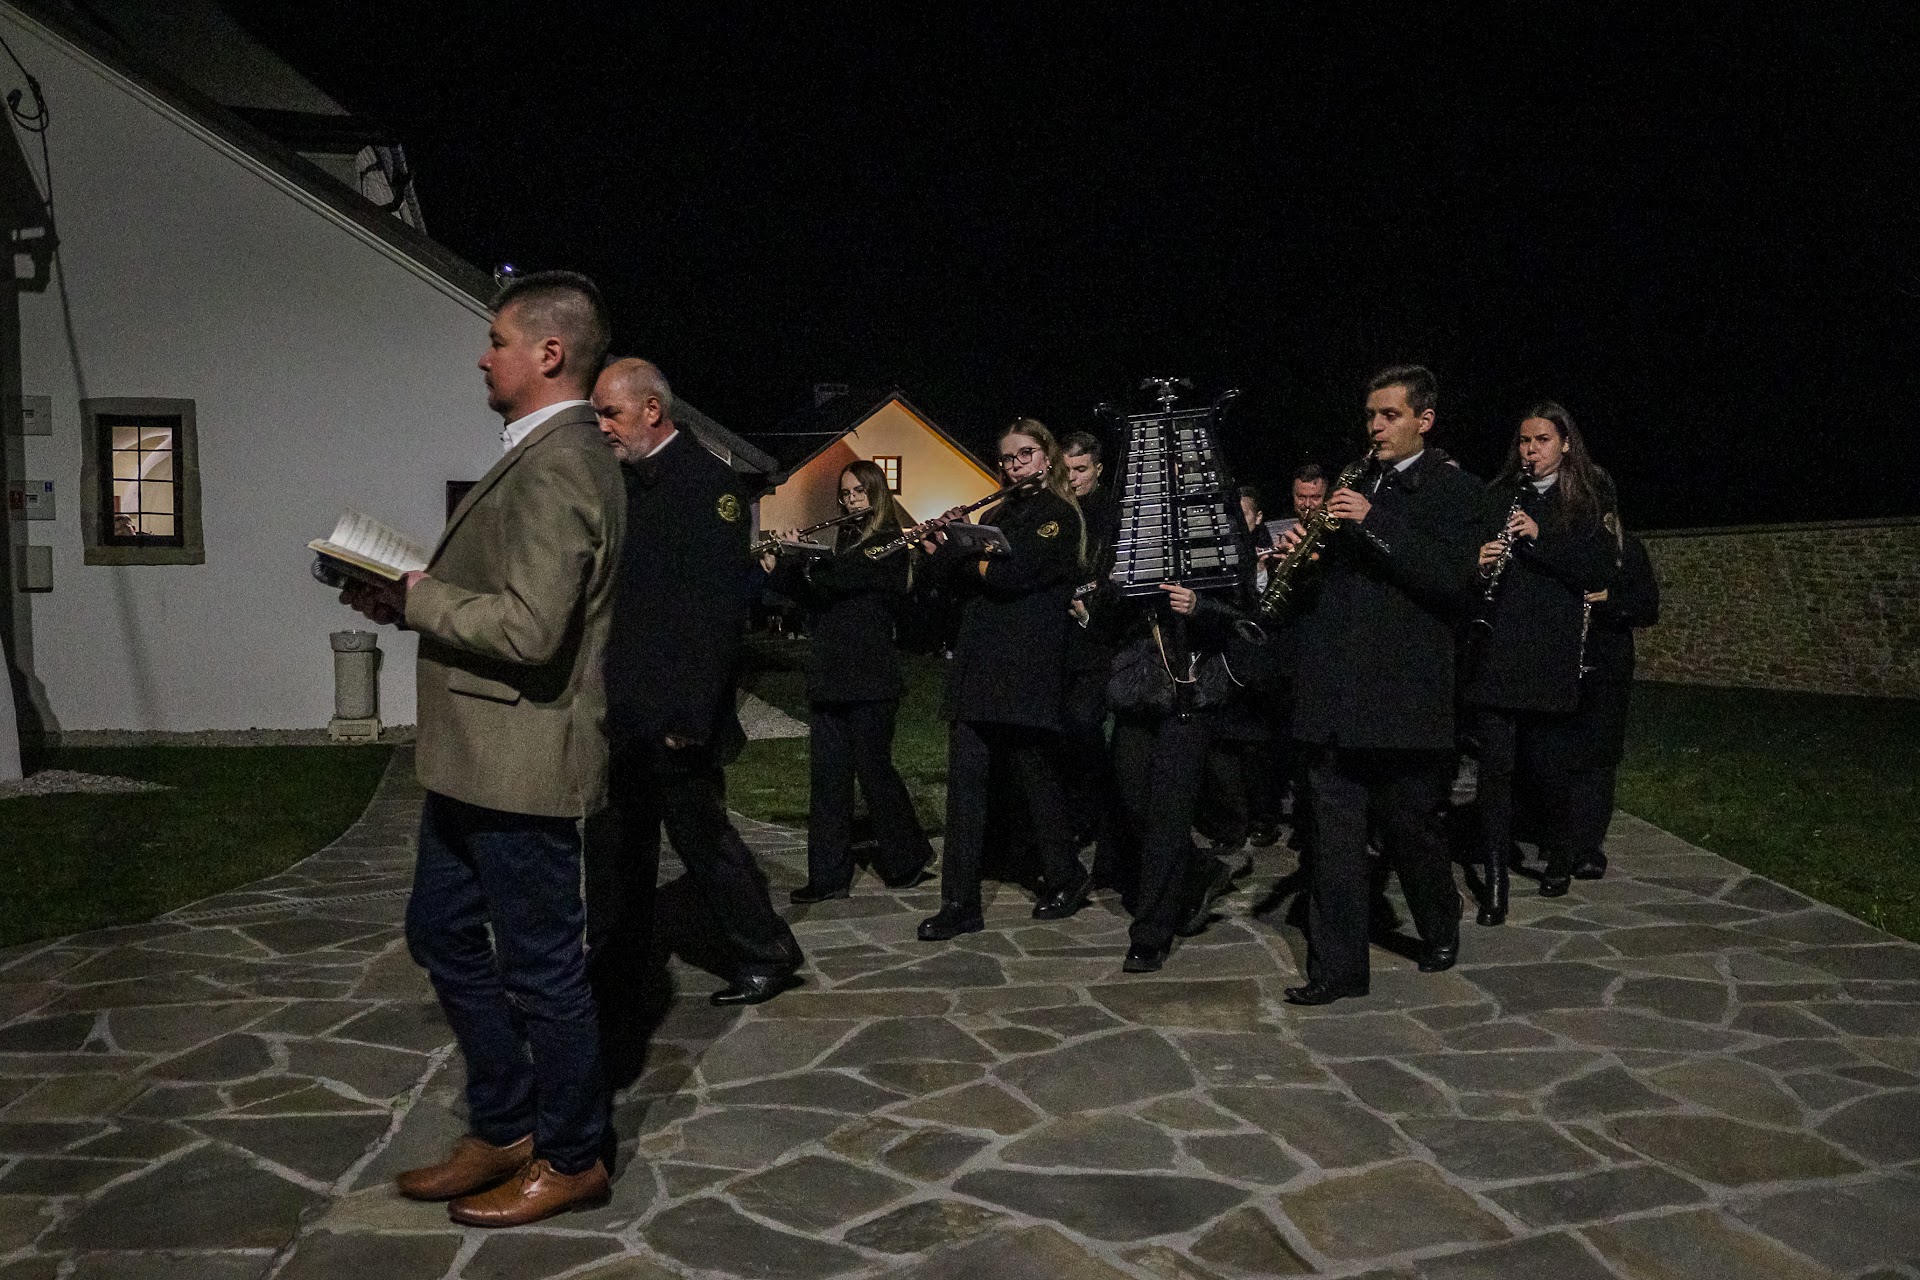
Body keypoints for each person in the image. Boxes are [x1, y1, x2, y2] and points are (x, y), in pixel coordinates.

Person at [341, 270, 622, 1225]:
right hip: (477, 756)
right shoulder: (541, 454)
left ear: (549, 352)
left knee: (543, 970)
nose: (482, 355)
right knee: (441, 933)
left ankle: (573, 1156)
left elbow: (533, 631)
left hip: (522, 761)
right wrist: (404, 599)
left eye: (497, 339)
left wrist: (420, 597)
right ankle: (505, 1125)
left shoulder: (562, 462)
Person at [593, 357, 804, 1006]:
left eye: (611, 413)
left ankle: (767, 952)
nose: (601, 426)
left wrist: (691, 717)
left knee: (703, 840)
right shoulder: (629, 482)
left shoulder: (706, 485)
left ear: (652, 410)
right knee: (619, 846)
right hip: (627, 706)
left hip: (674, 715)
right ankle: (620, 960)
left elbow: (714, 616)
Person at [1277, 365, 1482, 1006]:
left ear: (1424, 420)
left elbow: (1453, 580)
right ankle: (1337, 971)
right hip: (1335, 692)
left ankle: (1439, 923)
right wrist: (1304, 561)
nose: (1375, 427)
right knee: (1332, 840)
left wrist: (1372, 522)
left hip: (1402, 697)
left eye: (1389, 415)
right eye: (1370, 415)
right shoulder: (1355, 481)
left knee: (1410, 828)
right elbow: (1337, 591)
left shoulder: (1456, 490)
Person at [918, 418, 1091, 940]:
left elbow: (1016, 576)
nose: (1015, 466)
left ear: (1046, 457)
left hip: (1025, 668)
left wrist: (967, 558)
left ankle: (1065, 875)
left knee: (1035, 778)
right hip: (978, 665)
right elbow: (949, 585)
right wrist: (944, 544)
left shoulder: (1058, 515)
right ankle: (959, 903)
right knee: (966, 787)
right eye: (1008, 458)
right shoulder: (995, 514)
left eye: (1025, 455)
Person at [1461, 402, 1617, 920]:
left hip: (1549, 651)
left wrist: (1540, 537)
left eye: (1542, 440)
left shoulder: (1586, 497)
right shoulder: (1499, 494)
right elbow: (1468, 559)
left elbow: (1596, 569)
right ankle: (1495, 879)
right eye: (1525, 441)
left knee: (1549, 768)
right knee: (1494, 772)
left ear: (1565, 444)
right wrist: (1479, 563)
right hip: (1498, 649)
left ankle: (1560, 854)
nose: (1531, 450)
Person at [760, 460, 934, 901]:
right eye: (845, 494)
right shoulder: (844, 543)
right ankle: (828, 876)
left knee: (874, 772)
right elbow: (814, 597)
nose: (851, 500)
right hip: (831, 674)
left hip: (871, 677)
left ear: (877, 494)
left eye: (859, 492)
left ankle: (908, 858)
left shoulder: (889, 543)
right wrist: (780, 567)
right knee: (828, 778)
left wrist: (801, 556)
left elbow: (840, 580)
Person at [1521, 514, 1659, 881]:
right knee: (1554, 752)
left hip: (1605, 664)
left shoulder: (1625, 548)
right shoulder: (1558, 540)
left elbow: (1647, 606)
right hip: (1558, 661)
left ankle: (1587, 846)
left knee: (1599, 755)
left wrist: (1611, 599)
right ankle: (1557, 834)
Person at [1059, 431, 1120, 866]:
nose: (1073, 478)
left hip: (1097, 635)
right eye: (1066, 470)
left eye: (1081, 469)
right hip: (1062, 635)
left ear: (1098, 469)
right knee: (1064, 728)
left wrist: (1091, 609)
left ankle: (1096, 810)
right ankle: (1079, 809)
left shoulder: (1110, 512)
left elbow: (1114, 572)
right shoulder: (1060, 509)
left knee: (1084, 722)